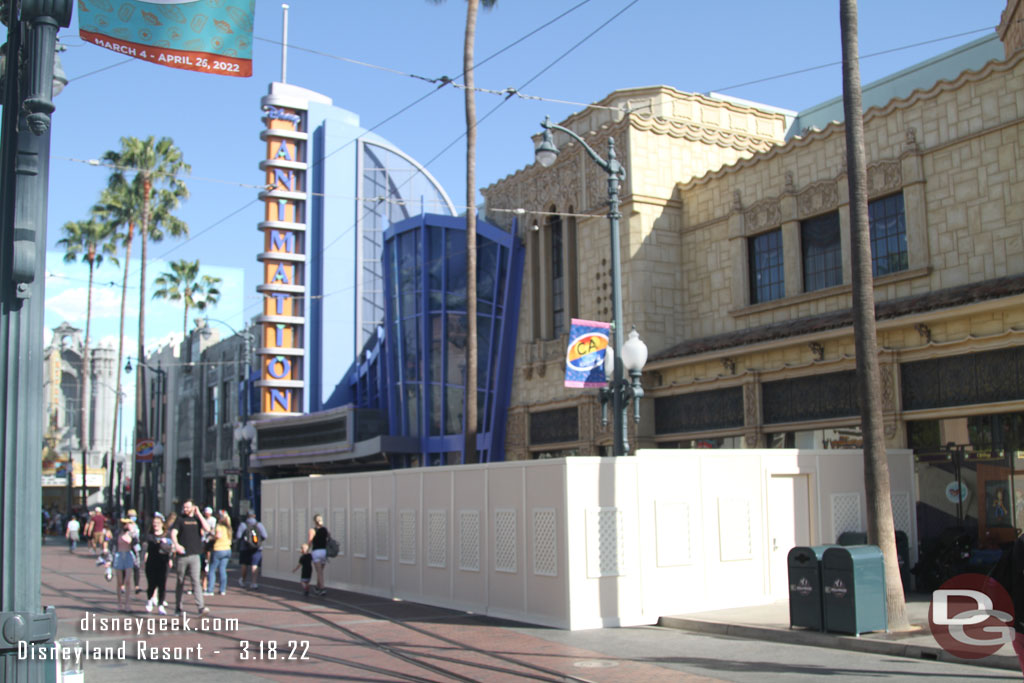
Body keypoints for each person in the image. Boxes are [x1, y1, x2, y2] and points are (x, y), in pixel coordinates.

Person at [170, 499, 211, 616]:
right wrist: (176, 545)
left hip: (195, 555)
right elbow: (173, 533)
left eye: (188, 507)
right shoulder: (180, 519)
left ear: (193, 507)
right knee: (180, 580)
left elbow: (207, 529)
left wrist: (199, 515)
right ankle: (178, 607)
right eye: (184, 507)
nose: (186, 509)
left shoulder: (197, 519)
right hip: (182, 555)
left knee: (196, 581)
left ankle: (201, 607)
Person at [143, 512, 173, 615]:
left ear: (162, 524)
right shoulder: (149, 536)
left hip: (163, 562)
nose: (155, 525)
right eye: (154, 523)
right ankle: (149, 600)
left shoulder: (167, 535)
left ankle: (161, 605)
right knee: (151, 584)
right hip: (151, 562)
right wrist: (144, 559)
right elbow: (146, 549)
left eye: (157, 523)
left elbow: (170, 549)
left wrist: (170, 559)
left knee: (162, 584)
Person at [236, 511, 268, 590]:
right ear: (254, 516)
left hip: (245, 547)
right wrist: (257, 541)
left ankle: (243, 580)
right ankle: (254, 582)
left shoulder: (243, 525)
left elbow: (238, 536)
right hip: (256, 548)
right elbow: (265, 535)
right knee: (255, 564)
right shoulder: (259, 525)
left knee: (244, 564)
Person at [112, 517, 137, 612]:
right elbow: (113, 545)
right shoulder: (117, 533)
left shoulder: (132, 534)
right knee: (119, 582)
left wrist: (132, 533)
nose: (126, 526)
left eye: (128, 524)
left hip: (128, 555)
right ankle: (119, 603)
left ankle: (127, 603)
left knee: (127, 581)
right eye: (125, 524)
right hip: (119, 555)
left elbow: (136, 544)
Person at [206, 510, 232, 596]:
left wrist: (211, 536)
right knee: (222, 569)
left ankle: (210, 589)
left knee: (212, 569)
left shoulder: (219, 526)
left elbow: (218, 536)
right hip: (227, 549)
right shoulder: (229, 527)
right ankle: (222, 589)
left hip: (219, 548)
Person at [307, 514, 329, 596]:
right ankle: (317, 586)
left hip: (316, 551)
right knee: (320, 571)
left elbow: (310, 541)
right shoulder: (325, 529)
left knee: (319, 571)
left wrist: (307, 549)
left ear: (314, 521)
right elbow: (329, 537)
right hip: (324, 551)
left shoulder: (312, 530)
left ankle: (322, 588)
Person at [200, 506, 216, 593]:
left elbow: (212, 529)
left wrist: (210, 535)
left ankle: (207, 562)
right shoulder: (203, 519)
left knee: (208, 552)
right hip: (203, 540)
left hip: (209, 539)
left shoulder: (212, 520)